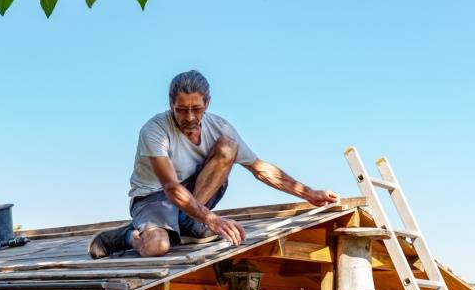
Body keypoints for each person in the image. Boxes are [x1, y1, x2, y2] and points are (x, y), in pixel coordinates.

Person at [88, 70, 339, 259]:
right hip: (155, 197)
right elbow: (171, 187)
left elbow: (259, 168)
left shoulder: (219, 126)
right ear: (170, 104)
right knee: (158, 247)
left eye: (196, 109)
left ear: (206, 103)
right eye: (181, 110)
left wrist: (309, 193)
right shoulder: (155, 130)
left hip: (193, 197)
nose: (189, 117)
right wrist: (211, 219)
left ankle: (190, 225)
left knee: (228, 146)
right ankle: (126, 235)